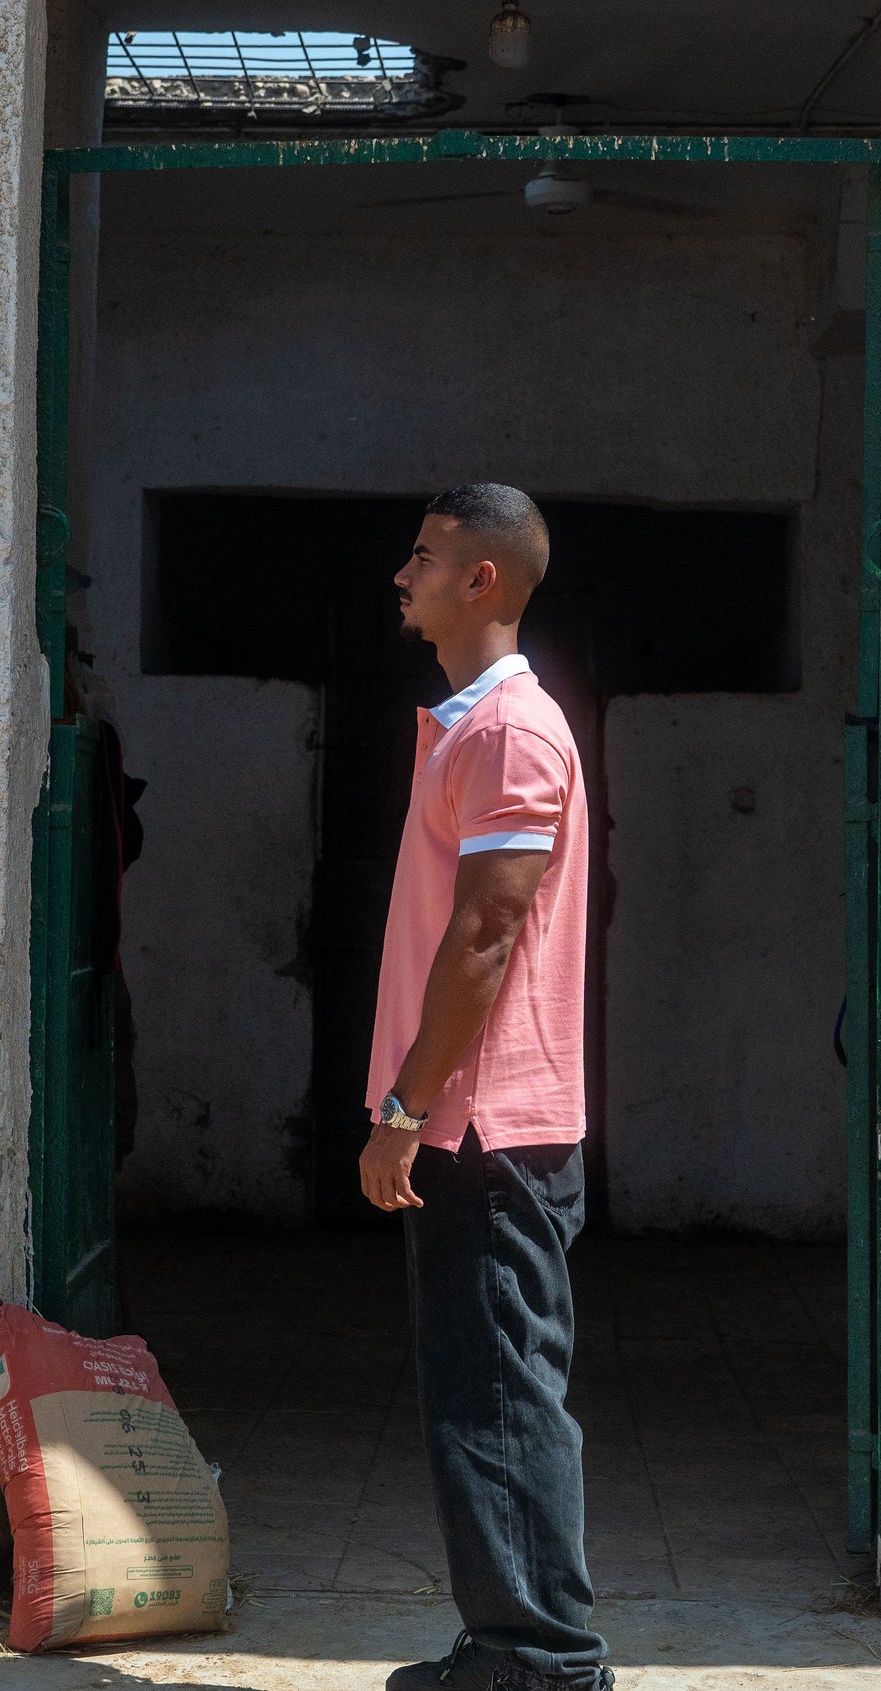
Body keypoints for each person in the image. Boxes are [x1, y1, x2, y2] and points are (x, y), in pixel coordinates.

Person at [361, 484, 610, 1691]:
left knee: (503, 1394)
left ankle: (542, 1657)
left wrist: (405, 1110)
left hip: (484, 1123)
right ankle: (510, 1640)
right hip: (475, 1118)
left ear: (483, 580)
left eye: (421, 555)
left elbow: (487, 929)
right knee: (484, 1389)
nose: (398, 575)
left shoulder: (510, 730)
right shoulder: (471, 724)